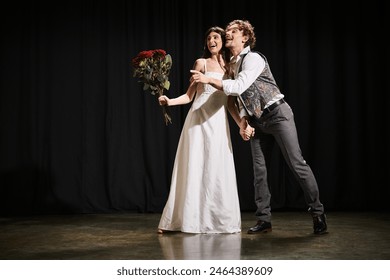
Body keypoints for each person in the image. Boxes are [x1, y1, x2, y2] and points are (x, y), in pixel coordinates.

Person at [191, 19, 328, 235]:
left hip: (277, 115)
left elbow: (238, 87)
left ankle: (317, 213)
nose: (228, 34)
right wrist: (244, 120)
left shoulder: (253, 58)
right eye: (227, 31)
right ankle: (264, 220)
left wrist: (208, 79)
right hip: (257, 121)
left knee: (297, 164)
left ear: (244, 37)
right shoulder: (233, 65)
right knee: (260, 172)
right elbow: (243, 98)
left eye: (233, 31)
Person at [157, 26, 242, 234]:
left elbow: (231, 104)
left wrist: (242, 124)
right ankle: (181, 220)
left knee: (216, 169)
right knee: (194, 167)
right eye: (209, 38)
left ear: (223, 41)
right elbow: (188, 96)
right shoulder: (201, 63)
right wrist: (169, 101)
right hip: (198, 121)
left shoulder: (231, 68)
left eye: (216, 37)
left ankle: (217, 220)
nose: (212, 41)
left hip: (218, 125)